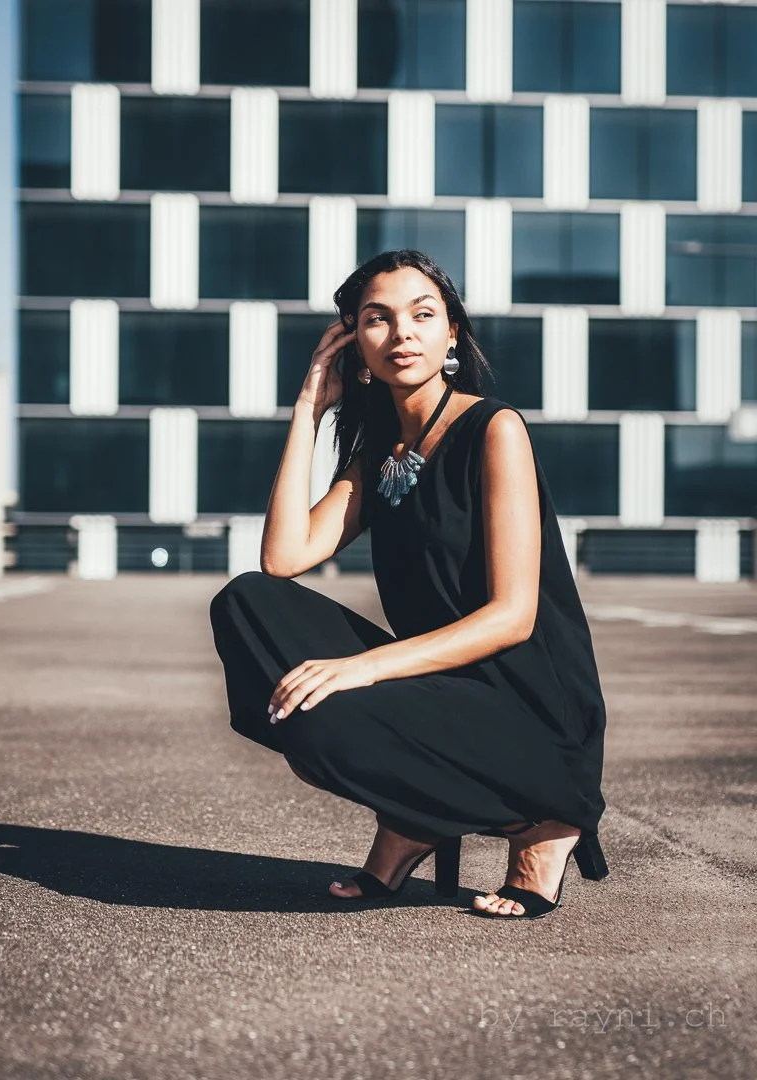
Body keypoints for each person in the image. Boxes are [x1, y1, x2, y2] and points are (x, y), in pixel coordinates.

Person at [209, 249, 608, 921]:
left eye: (423, 316)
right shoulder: (382, 452)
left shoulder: (495, 428)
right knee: (246, 603)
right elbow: (283, 558)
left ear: (452, 332)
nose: (402, 335)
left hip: (529, 708)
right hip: (444, 689)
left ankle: (540, 822)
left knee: (326, 719)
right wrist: (309, 408)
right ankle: (419, 814)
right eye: (378, 319)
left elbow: (512, 616)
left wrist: (361, 669)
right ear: (355, 343)